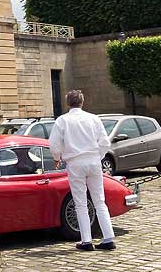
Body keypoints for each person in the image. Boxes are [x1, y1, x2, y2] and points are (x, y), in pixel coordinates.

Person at [49, 90, 116, 252]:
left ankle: (86, 240)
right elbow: (105, 142)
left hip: (75, 163)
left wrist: (56, 158)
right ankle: (108, 237)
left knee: (80, 202)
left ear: (68, 103)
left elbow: (54, 143)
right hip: (93, 161)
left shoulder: (62, 120)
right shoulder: (93, 118)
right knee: (99, 200)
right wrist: (97, 156)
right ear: (82, 102)